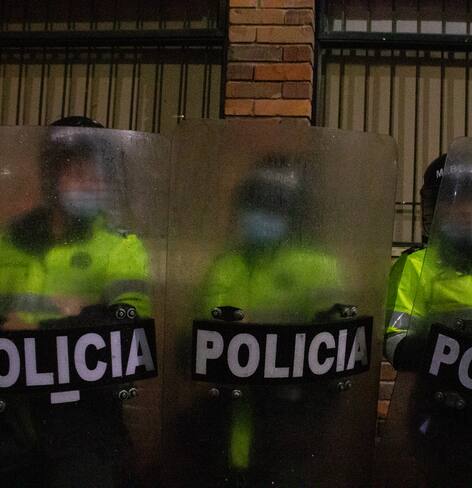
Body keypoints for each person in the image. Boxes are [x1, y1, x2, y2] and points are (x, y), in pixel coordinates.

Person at [0, 116, 151, 487]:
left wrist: (37, 329)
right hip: (11, 425)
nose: (90, 180)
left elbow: (129, 331)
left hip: (85, 428)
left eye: (98, 171)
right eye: (77, 169)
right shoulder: (11, 239)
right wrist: (77, 313)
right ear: (53, 173)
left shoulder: (119, 245)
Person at [185, 155, 347, 487]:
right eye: (254, 200)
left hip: (289, 432)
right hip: (225, 431)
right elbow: (194, 343)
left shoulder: (318, 267)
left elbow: (333, 353)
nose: (260, 213)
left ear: (293, 209)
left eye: (272, 203)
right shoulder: (226, 266)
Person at [383, 154, 472, 487]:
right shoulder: (416, 267)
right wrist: (444, 349)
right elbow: (393, 341)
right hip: (443, 420)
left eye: (470, 201)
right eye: (447, 202)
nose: (461, 211)